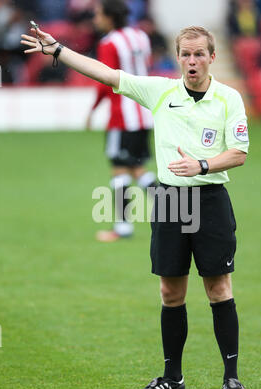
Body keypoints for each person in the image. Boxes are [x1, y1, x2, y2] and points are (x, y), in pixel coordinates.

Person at [21, 23, 249, 389]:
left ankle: (232, 378)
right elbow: (108, 74)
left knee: (218, 288)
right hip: (171, 201)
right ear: (177, 58)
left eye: (199, 54)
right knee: (170, 291)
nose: (192, 61)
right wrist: (58, 50)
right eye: (186, 54)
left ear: (212, 57)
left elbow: (238, 153)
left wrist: (202, 165)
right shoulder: (160, 91)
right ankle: (173, 378)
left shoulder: (229, 98)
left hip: (210, 200)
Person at [86, 0, 156, 242]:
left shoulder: (109, 43)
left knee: (119, 171)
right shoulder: (141, 37)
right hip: (145, 114)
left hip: (122, 116)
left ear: (109, 17)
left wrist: (93, 109)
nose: (95, 19)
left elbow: (107, 80)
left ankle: (122, 227)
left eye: (98, 14)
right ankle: (175, 213)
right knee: (138, 168)